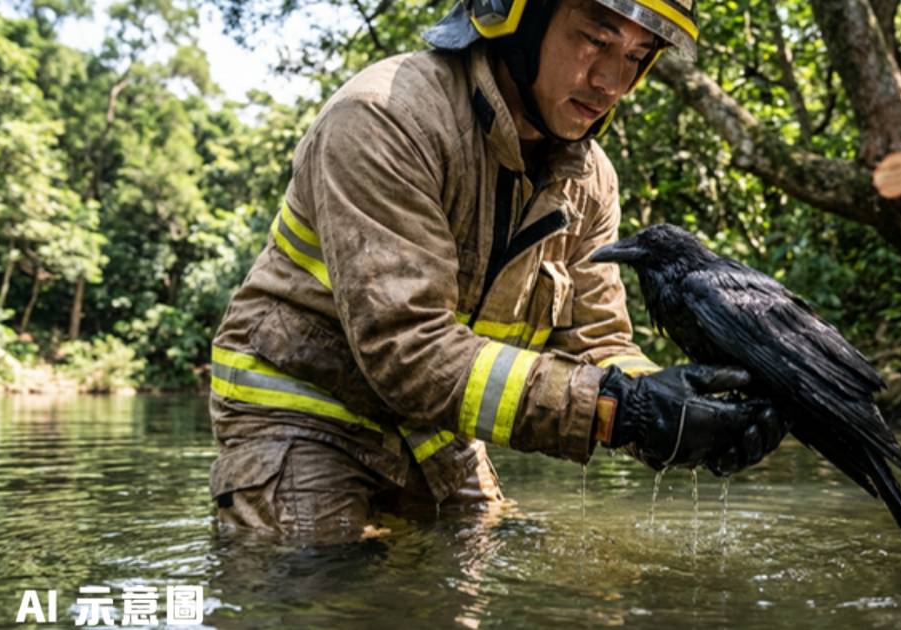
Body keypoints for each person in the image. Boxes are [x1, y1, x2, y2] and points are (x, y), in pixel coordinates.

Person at [207, 0, 786, 542]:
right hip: (303, 409)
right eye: (594, 40)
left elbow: (598, 341)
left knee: (473, 574)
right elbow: (407, 350)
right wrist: (618, 411)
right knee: (319, 591)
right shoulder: (386, 117)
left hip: (432, 425)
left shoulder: (590, 179)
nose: (612, 83)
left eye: (636, 58)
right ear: (517, 17)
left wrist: (681, 409)